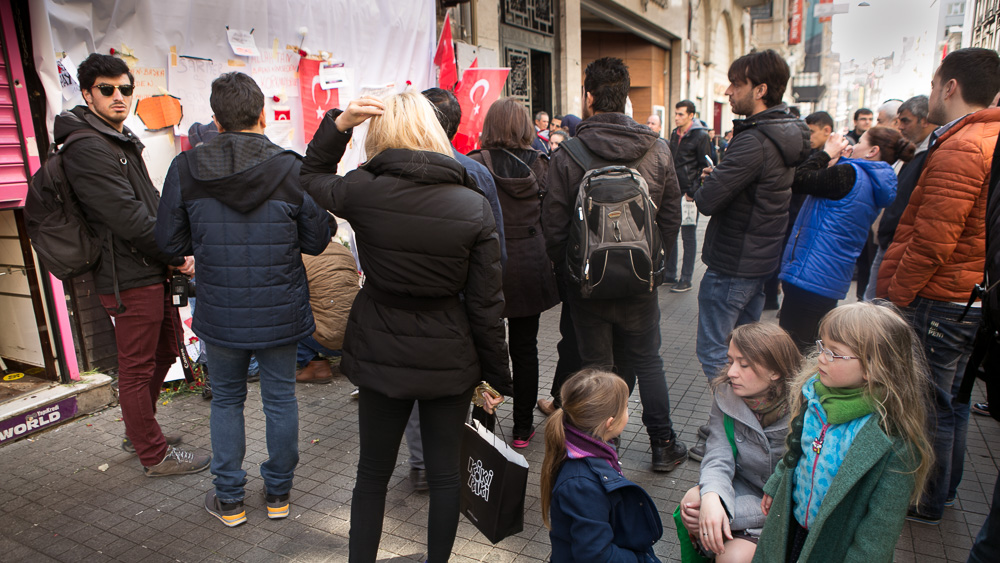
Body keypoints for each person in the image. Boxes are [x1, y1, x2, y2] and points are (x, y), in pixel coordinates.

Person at [300, 92, 511, 562]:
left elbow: (310, 176)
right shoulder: (472, 204)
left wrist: (339, 124)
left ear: (380, 132)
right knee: (446, 476)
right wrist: (496, 376)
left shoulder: (362, 190)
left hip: (380, 348)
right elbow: (486, 304)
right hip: (449, 352)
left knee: (372, 474)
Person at [156, 72, 331, 526]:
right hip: (280, 309)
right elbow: (317, 239)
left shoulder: (185, 167)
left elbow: (168, 241)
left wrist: (206, 241)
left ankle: (230, 500)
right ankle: (278, 495)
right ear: (263, 115)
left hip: (220, 309)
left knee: (227, 401)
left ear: (216, 121)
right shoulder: (291, 168)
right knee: (280, 399)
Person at [54, 53, 208, 476]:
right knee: (137, 367)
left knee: (165, 351)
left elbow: (150, 206)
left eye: (125, 89)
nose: (118, 96)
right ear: (88, 94)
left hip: (148, 267)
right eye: (107, 90)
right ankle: (153, 453)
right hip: (127, 275)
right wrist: (176, 254)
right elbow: (126, 216)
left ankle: (139, 430)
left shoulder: (116, 138)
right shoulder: (87, 146)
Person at [542, 56, 687, 471]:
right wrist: (653, 269)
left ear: (589, 97)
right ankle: (662, 444)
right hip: (641, 285)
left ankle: (604, 449)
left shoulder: (569, 153)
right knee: (648, 361)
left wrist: (572, 275)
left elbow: (553, 225)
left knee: (596, 367)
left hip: (588, 287)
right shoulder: (657, 149)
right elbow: (671, 217)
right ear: (625, 97)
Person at [878, 47, 1000, 525]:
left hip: (943, 299)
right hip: (967, 296)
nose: (930, 94)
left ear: (950, 87)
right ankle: (943, 492)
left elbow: (932, 242)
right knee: (953, 402)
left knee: (931, 405)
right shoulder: (984, 137)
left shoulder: (963, 145)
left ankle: (927, 499)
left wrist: (897, 296)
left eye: (932, 85)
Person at [753, 302, 934, 562]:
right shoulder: (814, 396)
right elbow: (796, 449)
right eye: (822, 346)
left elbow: (880, 529)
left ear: (873, 367)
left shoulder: (892, 437)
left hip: (835, 548)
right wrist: (777, 483)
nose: (821, 357)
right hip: (793, 529)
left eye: (834, 353)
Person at [399, 87, 509, 491]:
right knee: (459, 381)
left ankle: (423, 464)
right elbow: (496, 248)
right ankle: (452, 460)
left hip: (408, 300)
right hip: (462, 299)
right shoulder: (474, 172)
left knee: (415, 383)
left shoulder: (394, 171)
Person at [694, 49, 811, 380]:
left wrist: (713, 180)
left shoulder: (755, 140)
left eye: (736, 83)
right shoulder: (781, 134)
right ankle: (748, 411)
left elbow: (706, 200)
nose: (729, 91)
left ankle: (730, 413)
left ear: (760, 90)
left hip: (733, 265)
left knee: (716, 354)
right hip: (757, 263)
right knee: (745, 355)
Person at [469, 97, 559, 448]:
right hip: (529, 266)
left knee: (486, 347)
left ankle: (483, 424)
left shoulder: (475, 163)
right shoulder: (540, 163)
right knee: (525, 348)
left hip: (488, 265)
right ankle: (522, 428)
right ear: (524, 126)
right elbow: (551, 217)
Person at [778, 127, 913, 350]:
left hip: (810, 272)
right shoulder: (871, 180)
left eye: (860, 142)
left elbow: (798, 179)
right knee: (811, 344)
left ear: (872, 151)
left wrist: (826, 152)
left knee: (793, 349)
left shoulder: (850, 174)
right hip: (830, 275)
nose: (853, 145)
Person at [679, 323, 801, 562]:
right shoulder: (726, 395)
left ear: (775, 371)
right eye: (730, 361)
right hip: (744, 488)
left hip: (783, 506)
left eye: (744, 365)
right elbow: (718, 453)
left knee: (731, 557)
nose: (732, 372)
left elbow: (793, 497)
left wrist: (722, 513)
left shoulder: (804, 408)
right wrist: (712, 496)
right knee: (694, 501)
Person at [542, 369, 663, 561]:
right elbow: (596, 555)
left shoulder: (586, 448)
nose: (627, 411)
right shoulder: (581, 484)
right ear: (610, 423)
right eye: (626, 406)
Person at [864, 95, 936, 301]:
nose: (901, 126)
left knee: (877, 304)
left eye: (905, 121)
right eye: (899, 120)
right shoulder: (914, 151)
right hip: (889, 240)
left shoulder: (930, 153)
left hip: (898, 242)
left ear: (925, 120)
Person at [295, 218, 360, 384]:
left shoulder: (301, 257)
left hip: (327, 340)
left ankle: (314, 363)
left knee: (281, 312)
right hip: (355, 338)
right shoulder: (344, 252)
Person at [668, 100, 712, 293]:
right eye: (676, 113)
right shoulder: (674, 133)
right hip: (673, 191)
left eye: (681, 114)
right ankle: (670, 273)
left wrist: (692, 192)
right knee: (670, 231)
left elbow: (706, 166)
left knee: (688, 235)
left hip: (689, 194)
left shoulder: (701, 136)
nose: (677, 117)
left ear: (691, 115)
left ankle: (686, 278)